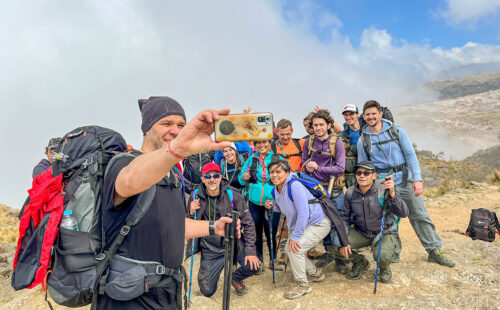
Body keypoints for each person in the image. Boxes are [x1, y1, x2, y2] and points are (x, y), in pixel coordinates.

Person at [99, 96, 240, 309]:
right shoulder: (124, 163)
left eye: (181, 125)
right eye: (166, 123)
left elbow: (173, 226)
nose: (175, 130)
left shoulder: (173, 174)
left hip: (167, 292)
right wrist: (176, 150)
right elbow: (128, 180)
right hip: (128, 296)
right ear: (147, 129)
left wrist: (214, 226)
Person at [357, 99, 455, 267]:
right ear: (364, 117)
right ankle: (393, 253)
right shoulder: (363, 140)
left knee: (419, 215)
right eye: (368, 114)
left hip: (405, 179)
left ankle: (434, 250)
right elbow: (364, 166)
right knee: (390, 220)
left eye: (374, 113)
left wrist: (417, 179)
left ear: (380, 114)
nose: (371, 117)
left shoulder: (396, 131)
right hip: (383, 183)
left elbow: (410, 155)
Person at [187, 163, 259, 297]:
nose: (212, 179)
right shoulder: (195, 195)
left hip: (233, 244)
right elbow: (187, 223)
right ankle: (218, 269)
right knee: (207, 291)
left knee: (253, 265)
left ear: (221, 177)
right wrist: (191, 211)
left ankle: (234, 278)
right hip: (210, 247)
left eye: (215, 175)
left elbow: (248, 223)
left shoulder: (233, 195)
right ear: (202, 179)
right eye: (208, 176)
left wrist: (250, 251)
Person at [330, 161, 408, 282]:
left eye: (366, 173)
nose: (362, 175)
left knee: (382, 256)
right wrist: (344, 240)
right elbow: (345, 218)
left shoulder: (385, 189)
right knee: (334, 243)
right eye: (359, 172)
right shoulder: (350, 192)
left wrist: (392, 193)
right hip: (361, 233)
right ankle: (360, 262)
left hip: (384, 232)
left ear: (374, 176)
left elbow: (404, 213)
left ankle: (384, 267)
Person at [268, 158, 331, 299]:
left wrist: (295, 238)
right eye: (272, 172)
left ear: (287, 172)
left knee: (294, 249)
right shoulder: (276, 189)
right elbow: (281, 207)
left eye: (278, 171)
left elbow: (304, 213)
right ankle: (315, 273)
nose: (275, 175)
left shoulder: (294, 185)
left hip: (318, 223)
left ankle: (302, 284)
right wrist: (272, 205)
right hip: (304, 225)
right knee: (288, 250)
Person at [301, 109, 346, 272]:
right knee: (321, 221)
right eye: (315, 125)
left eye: (321, 125)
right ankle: (329, 252)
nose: (318, 128)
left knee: (338, 222)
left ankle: (341, 257)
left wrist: (318, 167)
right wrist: (307, 165)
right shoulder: (309, 142)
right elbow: (304, 160)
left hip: (334, 189)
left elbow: (341, 168)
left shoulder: (337, 143)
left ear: (328, 125)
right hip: (316, 189)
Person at [238, 140, 282, 270]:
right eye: (259, 143)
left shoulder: (277, 158)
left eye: (265, 142)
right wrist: (244, 177)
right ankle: (259, 260)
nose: (262, 145)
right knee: (255, 231)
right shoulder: (251, 160)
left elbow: (284, 178)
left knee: (271, 231)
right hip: (254, 202)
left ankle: (273, 260)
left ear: (269, 143)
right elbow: (241, 180)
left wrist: (275, 198)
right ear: (255, 145)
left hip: (272, 200)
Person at [340, 104, 361, 188]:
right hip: (355, 171)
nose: (348, 117)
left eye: (351, 114)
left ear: (357, 114)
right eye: (346, 115)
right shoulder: (344, 134)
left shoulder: (367, 128)